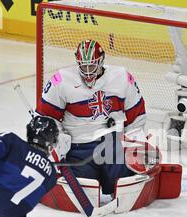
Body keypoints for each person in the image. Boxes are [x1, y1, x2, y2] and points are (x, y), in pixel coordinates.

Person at [36, 39, 148, 196]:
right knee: (83, 187)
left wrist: (134, 143)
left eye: (92, 65)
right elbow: (45, 117)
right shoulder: (61, 80)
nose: (88, 71)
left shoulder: (122, 77)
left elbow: (136, 116)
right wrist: (56, 140)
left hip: (112, 145)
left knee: (124, 181)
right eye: (84, 66)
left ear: (101, 60)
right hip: (78, 148)